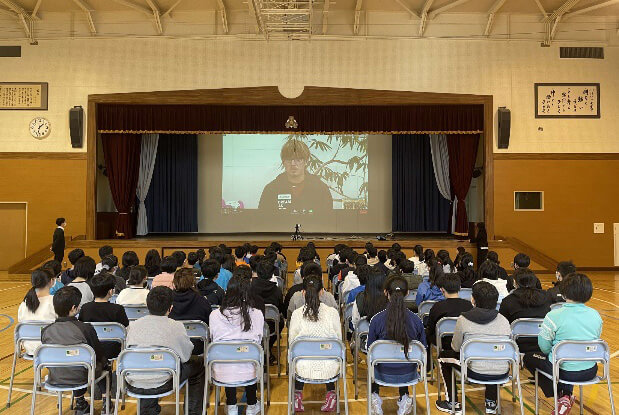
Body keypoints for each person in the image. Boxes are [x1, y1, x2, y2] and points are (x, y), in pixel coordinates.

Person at [523, 273, 602, 415]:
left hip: (562, 370)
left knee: (529, 358)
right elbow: (594, 339)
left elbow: (544, 347)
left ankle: (562, 396)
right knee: (566, 358)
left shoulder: (554, 315)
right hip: (590, 370)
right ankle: (565, 394)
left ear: (564, 292)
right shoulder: (596, 315)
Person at [125, 286, 204, 415]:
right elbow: (186, 356)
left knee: (146, 363)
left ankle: (148, 410)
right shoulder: (176, 326)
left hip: (133, 380)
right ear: (170, 308)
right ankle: (192, 411)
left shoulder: (134, 325)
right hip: (165, 380)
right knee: (199, 364)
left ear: (147, 305)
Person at [436, 282, 511, 415]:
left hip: (473, 371)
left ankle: (452, 402)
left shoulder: (463, 319)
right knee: (493, 356)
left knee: (443, 357)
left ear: (473, 299)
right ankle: (491, 403)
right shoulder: (504, 320)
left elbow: (456, 347)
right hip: (502, 372)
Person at [41, 286, 109, 415]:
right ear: (74, 308)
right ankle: (106, 401)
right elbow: (98, 354)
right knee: (101, 364)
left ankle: (80, 402)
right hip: (82, 376)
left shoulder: (46, 331)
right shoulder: (85, 328)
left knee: (72, 363)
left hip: (56, 376)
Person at [368, 275, 427, 415]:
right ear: (407, 293)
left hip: (381, 374)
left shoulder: (376, 320)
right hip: (408, 374)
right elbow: (423, 349)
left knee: (374, 359)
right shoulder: (416, 320)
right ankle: (405, 397)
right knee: (405, 356)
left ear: (385, 293)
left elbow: (370, 350)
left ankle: (375, 396)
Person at [209, 276, 264, 415]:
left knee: (230, 356)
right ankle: (252, 404)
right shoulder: (256, 314)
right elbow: (258, 340)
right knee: (250, 355)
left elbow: (214, 337)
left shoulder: (214, 315)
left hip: (221, 370)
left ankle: (231, 404)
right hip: (249, 369)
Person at [288, 275, 342, 412]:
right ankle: (331, 393)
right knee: (329, 352)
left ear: (303, 292)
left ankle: (297, 394)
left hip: (302, 367)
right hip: (330, 368)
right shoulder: (333, 313)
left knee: (297, 354)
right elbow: (339, 343)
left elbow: (292, 344)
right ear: (322, 292)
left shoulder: (296, 314)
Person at [258, 138, 333, 214]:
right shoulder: (271, 189)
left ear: (306, 161)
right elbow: (263, 221)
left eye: (298, 159)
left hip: (313, 226)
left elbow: (328, 220)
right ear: (283, 162)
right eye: (289, 160)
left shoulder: (320, 188)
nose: (293, 164)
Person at [78, 272, 129, 359]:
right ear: (110, 291)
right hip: (114, 352)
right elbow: (125, 330)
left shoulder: (85, 308)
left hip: (91, 350)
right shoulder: (118, 309)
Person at [498, 269, 551, 353]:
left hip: (517, 345)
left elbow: (502, 324)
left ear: (515, 283)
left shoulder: (508, 301)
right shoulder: (546, 298)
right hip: (544, 343)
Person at [425, 273, 473, 352]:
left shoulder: (437, 306)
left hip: (442, 343)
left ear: (442, 289)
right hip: (464, 344)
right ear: (460, 288)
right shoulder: (469, 306)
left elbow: (431, 328)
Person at [169, 268, 212, 355]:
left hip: (173, 345)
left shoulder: (167, 300)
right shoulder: (202, 301)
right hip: (198, 346)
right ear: (193, 282)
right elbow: (209, 324)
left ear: (174, 282)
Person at [18, 268, 57, 355]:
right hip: (50, 347)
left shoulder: (24, 304)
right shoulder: (55, 301)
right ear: (51, 281)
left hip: (29, 348)